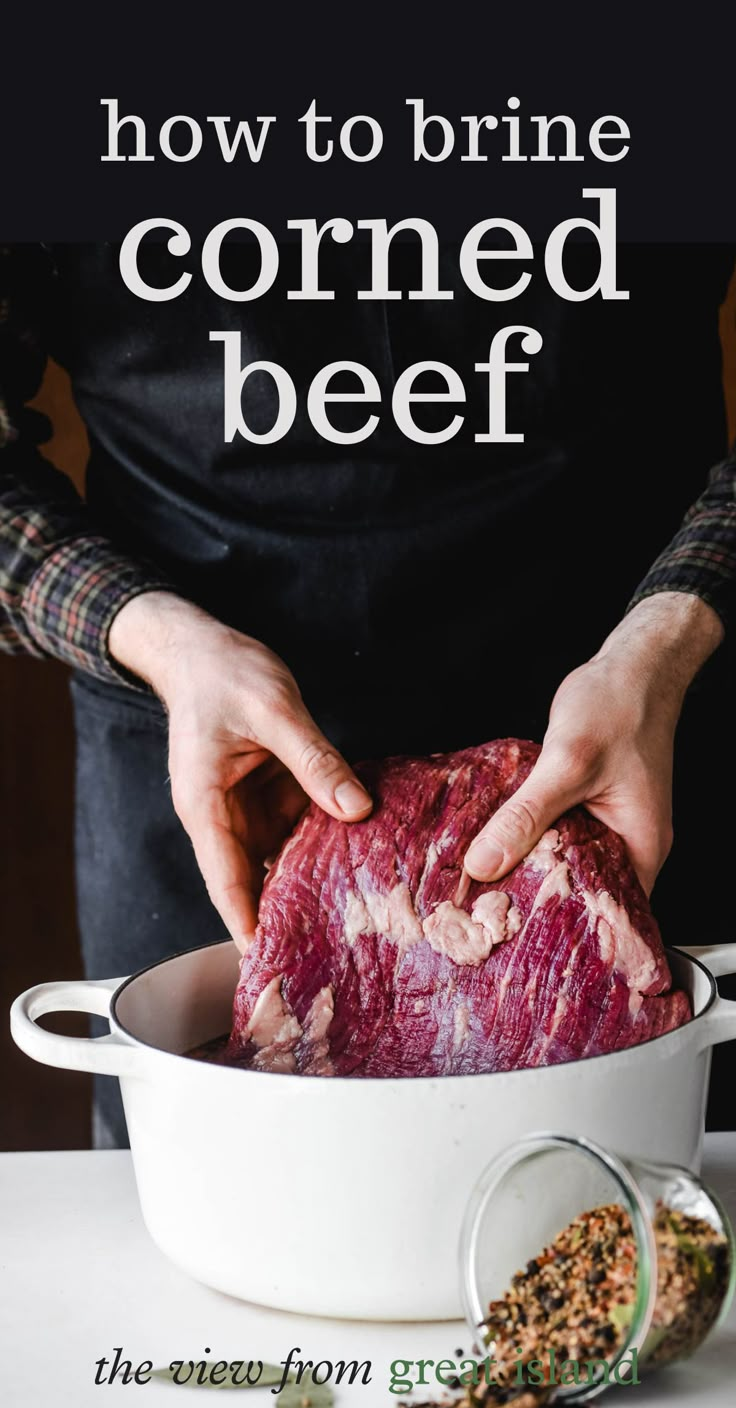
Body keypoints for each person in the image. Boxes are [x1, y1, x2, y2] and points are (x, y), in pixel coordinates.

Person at [1, 240, 735, 1146]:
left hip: (626, 737)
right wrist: (155, 636)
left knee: (638, 1223)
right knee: (225, 1228)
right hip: (218, 757)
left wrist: (670, 633)